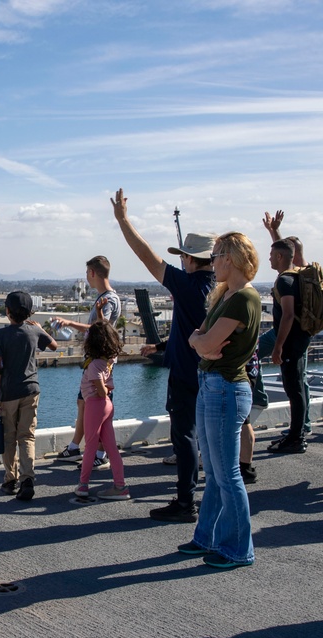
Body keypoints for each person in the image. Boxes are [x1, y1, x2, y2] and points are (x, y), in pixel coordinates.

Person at [108, 188, 215, 520]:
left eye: (184, 256)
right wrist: (163, 346)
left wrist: (123, 220)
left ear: (191, 259)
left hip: (186, 373)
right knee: (209, 438)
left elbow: (147, 256)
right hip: (213, 372)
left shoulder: (189, 285)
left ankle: (186, 502)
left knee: (184, 437)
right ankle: (211, 497)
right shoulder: (221, 289)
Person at [178, 232, 261, 569]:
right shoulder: (226, 295)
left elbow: (206, 340)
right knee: (213, 471)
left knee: (227, 474)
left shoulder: (243, 299)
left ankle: (239, 548)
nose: (212, 264)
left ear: (231, 257)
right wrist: (202, 342)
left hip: (225, 387)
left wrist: (201, 342)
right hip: (212, 383)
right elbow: (197, 339)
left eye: (215, 257)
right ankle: (206, 538)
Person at [52, 256, 121, 468]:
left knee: (95, 408)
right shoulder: (104, 298)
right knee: (83, 404)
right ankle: (75, 447)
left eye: (86, 273)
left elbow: (101, 328)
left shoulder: (108, 300)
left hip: (98, 363)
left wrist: (70, 323)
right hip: (93, 363)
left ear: (92, 273)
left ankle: (100, 452)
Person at [0, 291, 57, 501]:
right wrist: (40, 328)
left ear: (7, 311)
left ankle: (11, 479)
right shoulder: (34, 332)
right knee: (27, 436)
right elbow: (54, 345)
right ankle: (27, 479)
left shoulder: (0, 335)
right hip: (31, 390)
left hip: (9, 393)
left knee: (9, 437)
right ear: (29, 312)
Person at [260, 211, 313, 438]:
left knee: (296, 385)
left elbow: (289, 314)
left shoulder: (291, 276)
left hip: (287, 334)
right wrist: (273, 231)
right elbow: (283, 252)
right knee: (299, 383)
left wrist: (279, 346)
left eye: (274, 254)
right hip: (297, 334)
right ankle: (301, 427)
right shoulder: (301, 275)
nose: (271, 257)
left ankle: (297, 432)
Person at [74, 319, 129, 500]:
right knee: (111, 447)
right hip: (106, 405)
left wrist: (104, 387)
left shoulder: (95, 364)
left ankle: (83, 485)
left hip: (95, 404)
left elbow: (101, 389)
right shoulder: (109, 360)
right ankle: (120, 485)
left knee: (90, 445)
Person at [239, 349, 268, 484]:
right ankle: (245, 467)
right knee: (244, 419)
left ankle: (245, 469)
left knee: (243, 421)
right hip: (250, 366)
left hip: (240, 369)